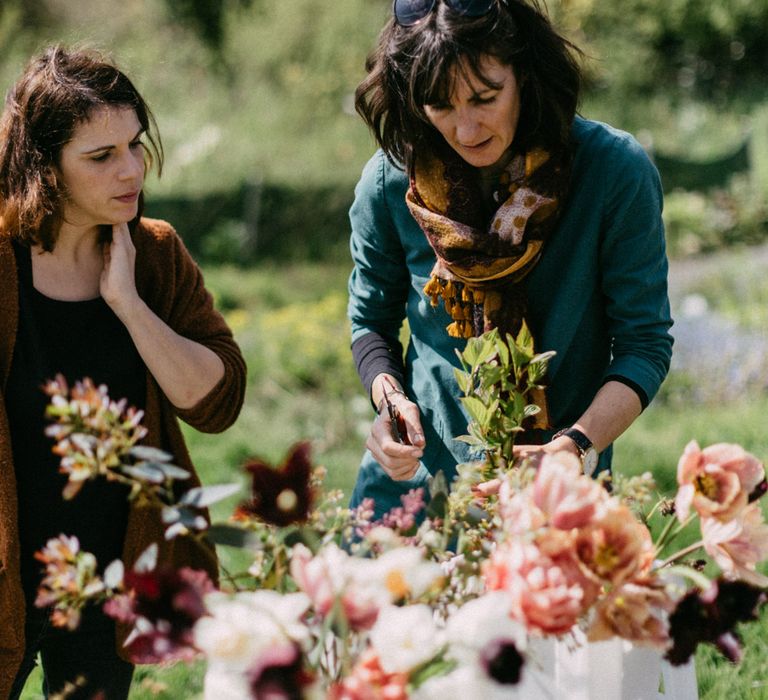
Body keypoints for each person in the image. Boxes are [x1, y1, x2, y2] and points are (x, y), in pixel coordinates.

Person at [348, 0, 673, 518]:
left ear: (524, 71)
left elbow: (644, 344)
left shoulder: (613, 171)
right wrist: (390, 405)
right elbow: (370, 323)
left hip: (556, 494)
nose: (467, 129)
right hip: (414, 494)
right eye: (440, 105)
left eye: (484, 97)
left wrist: (576, 448)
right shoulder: (389, 184)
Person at [0, 46, 247, 699]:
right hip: (6, 584)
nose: (132, 169)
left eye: (135, 145)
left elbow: (216, 402)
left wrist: (130, 306)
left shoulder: (156, 253)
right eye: (101, 156)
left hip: (109, 588)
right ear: (42, 165)